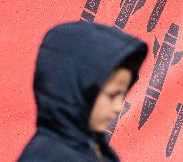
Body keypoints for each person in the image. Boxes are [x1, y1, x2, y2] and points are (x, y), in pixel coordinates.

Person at [17, 21, 148, 162]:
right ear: (76, 92)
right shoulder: (45, 156)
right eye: (112, 96)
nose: (119, 107)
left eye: (122, 95)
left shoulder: (97, 149)